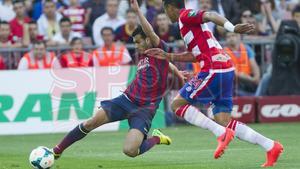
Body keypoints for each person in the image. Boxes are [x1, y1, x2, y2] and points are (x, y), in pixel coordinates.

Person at [145, 0, 283, 167]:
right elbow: (196, 54)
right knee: (224, 120)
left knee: (177, 104)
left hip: (214, 69)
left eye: (166, 12)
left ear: (170, 8)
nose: (167, 16)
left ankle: (221, 133)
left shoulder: (185, 15)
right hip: (224, 68)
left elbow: (210, 15)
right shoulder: (187, 24)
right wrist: (169, 56)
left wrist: (232, 28)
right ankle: (270, 146)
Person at [50, 0, 186, 160]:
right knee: (90, 123)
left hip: (144, 109)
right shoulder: (144, 54)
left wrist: (137, 11)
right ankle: (57, 150)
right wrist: (178, 73)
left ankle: (156, 138)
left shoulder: (158, 46)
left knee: (130, 151)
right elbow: (168, 64)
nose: (135, 46)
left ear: (148, 39)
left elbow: (150, 33)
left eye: (138, 42)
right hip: (126, 100)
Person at [224, 32, 260, 96]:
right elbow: (232, 72)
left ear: (239, 37)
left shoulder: (247, 49)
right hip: (234, 82)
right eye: (228, 37)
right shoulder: (223, 52)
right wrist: (252, 79)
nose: (231, 38)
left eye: (233, 36)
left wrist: (256, 78)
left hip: (248, 80)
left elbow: (254, 66)